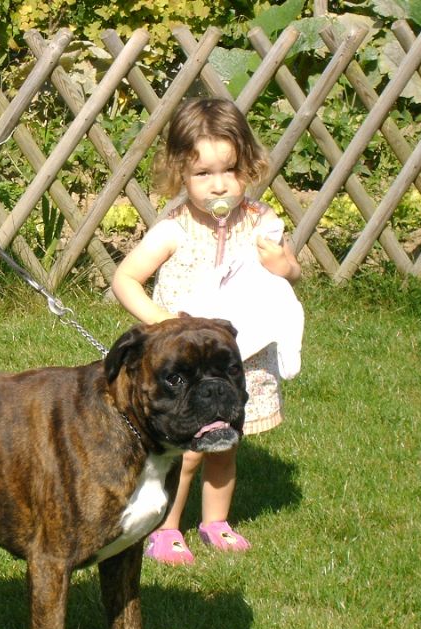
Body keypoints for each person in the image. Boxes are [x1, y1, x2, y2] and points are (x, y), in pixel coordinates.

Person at [111, 97, 303, 565]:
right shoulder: (176, 229)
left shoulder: (259, 221)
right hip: (187, 367)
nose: (219, 184)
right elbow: (125, 279)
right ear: (180, 173)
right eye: (203, 174)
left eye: (230, 170)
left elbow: (290, 273)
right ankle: (167, 525)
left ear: (247, 165)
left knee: (226, 442)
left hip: (239, 355)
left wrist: (284, 265)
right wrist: (162, 323)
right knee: (187, 450)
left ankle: (216, 520)